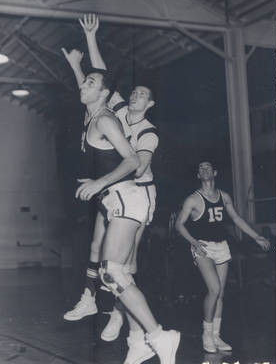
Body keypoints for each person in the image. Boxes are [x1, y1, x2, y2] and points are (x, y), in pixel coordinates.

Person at [61, 31, 180, 364]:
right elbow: (97, 81)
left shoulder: (113, 121)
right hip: (118, 197)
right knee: (113, 268)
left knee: (115, 272)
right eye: (83, 83)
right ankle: (138, 337)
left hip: (135, 195)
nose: (83, 85)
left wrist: (99, 182)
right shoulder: (99, 113)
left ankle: (158, 334)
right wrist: (77, 64)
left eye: (89, 83)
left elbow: (134, 164)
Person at [175, 161, 270, 353]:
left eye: (208, 167)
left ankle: (216, 336)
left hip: (221, 247)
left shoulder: (224, 196)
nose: (204, 170)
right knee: (214, 289)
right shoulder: (192, 199)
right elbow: (179, 225)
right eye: (200, 168)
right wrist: (194, 242)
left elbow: (236, 219)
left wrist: (256, 236)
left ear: (215, 172)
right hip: (203, 247)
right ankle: (206, 335)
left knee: (220, 294)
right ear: (198, 175)